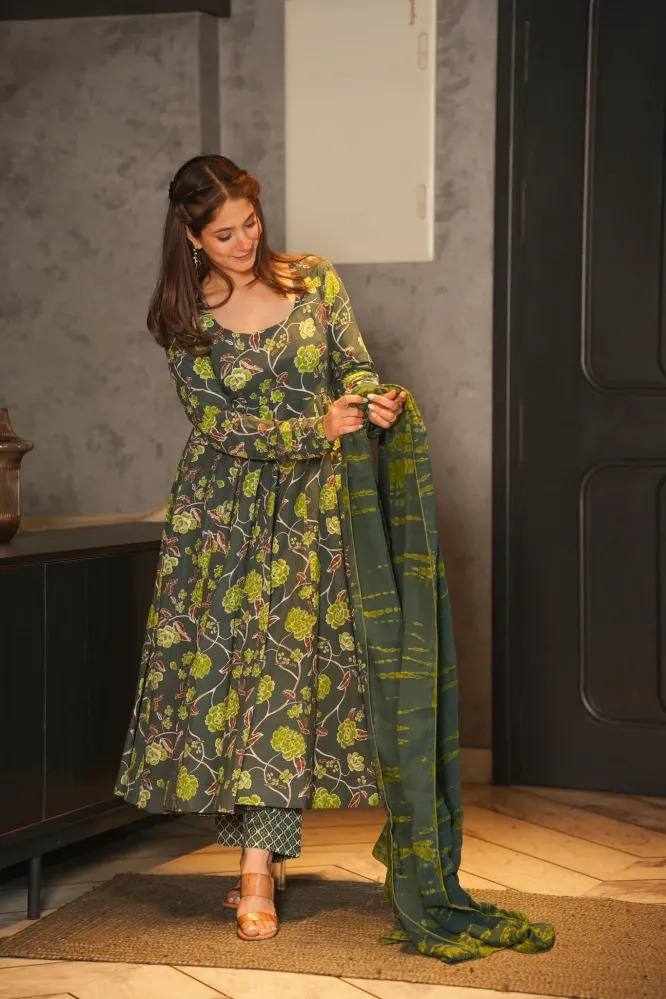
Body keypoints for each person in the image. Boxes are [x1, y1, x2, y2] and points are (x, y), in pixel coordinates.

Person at [114, 154, 556, 960]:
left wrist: (373, 401)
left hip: (315, 513)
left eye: (251, 221)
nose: (244, 241)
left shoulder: (312, 280)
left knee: (284, 684)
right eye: (225, 232)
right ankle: (260, 861)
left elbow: (352, 365)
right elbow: (219, 427)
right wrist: (312, 428)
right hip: (224, 522)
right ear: (191, 237)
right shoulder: (183, 318)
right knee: (238, 686)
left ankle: (259, 869)